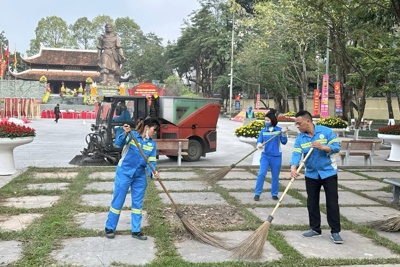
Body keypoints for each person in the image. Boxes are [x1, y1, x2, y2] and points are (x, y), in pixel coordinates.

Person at [289, 110, 343, 244]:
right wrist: (293, 167)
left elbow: (337, 147)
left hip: (328, 172)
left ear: (308, 121)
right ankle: (315, 229)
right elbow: (296, 153)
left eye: (299, 123)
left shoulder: (325, 131)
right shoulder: (300, 138)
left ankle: (335, 231)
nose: (297, 126)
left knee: (332, 202)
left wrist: (323, 147)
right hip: (311, 173)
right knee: (312, 202)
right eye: (296, 124)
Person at [105, 117, 160, 240]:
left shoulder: (151, 144)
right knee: (118, 201)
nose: (155, 132)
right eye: (154, 129)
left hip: (139, 176)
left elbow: (151, 162)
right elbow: (118, 143)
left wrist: (153, 172)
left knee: (137, 204)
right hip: (124, 172)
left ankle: (136, 231)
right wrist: (124, 133)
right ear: (146, 127)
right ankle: (109, 228)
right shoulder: (132, 135)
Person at [254, 110, 288, 201]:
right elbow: (259, 141)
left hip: (276, 157)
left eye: (268, 120)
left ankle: (274, 193)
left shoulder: (279, 130)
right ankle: (257, 193)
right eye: (265, 120)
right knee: (261, 174)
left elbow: (284, 142)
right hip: (265, 156)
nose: (266, 122)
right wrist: (259, 145)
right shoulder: (263, 131)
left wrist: (284, 133)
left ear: (272, 120)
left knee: (275, 176)